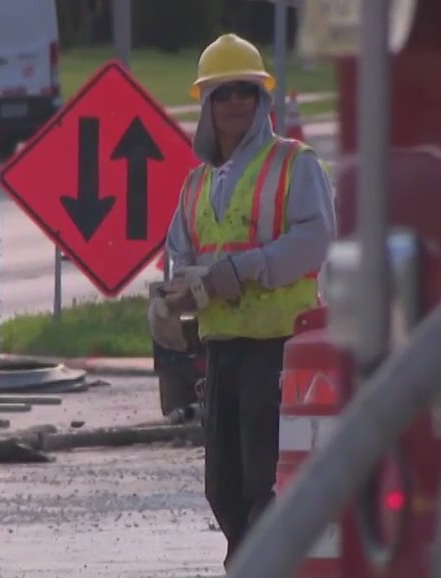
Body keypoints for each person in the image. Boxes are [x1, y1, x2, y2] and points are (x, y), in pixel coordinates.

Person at [157, 33, 336, 569]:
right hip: (224, 351)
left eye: (246, 92)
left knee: (267, 483)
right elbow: (179, 254)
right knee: (224, 488)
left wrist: (247, 269)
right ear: (206, 104)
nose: (235, 103)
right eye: (223, 93)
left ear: (262, 101)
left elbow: (315, 237)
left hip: (278, 347)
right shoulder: (196, 183)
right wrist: (171, 299)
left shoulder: (293, 164)